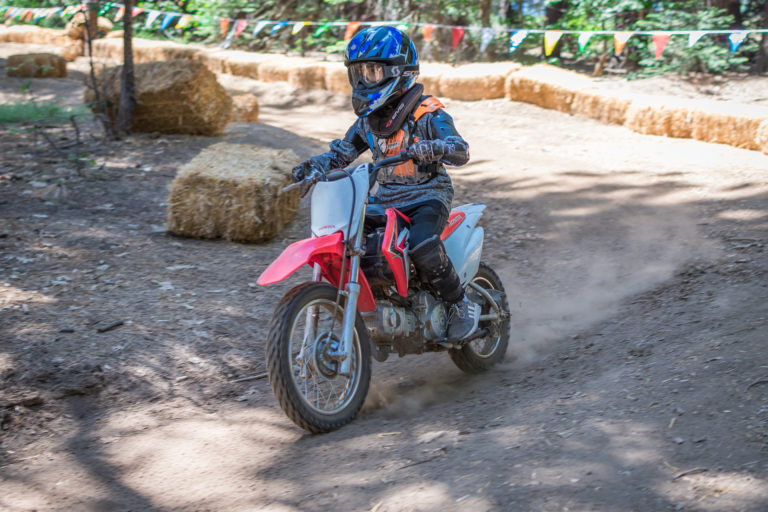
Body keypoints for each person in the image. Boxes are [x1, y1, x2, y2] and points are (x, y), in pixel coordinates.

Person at [290, 25, 478, 340]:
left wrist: (437, 148)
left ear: (398, 71)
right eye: (359, 73)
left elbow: (461, 150)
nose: (364, 81)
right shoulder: (368, 122)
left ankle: (459, 303)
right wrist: (313, 166)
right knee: (349, 240)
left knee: (422, 244)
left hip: (427, 196)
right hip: (386, 198)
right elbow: (341, 155)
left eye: (373, 71)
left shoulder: (426, 112)